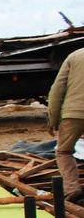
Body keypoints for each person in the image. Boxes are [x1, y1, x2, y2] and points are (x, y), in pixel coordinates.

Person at [47, 48, 84, 203]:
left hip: (73, 114)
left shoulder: (75, 56)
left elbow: (57, 90)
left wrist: (53, 120)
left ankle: (72, 189)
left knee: (63, 151)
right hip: (74, 112)